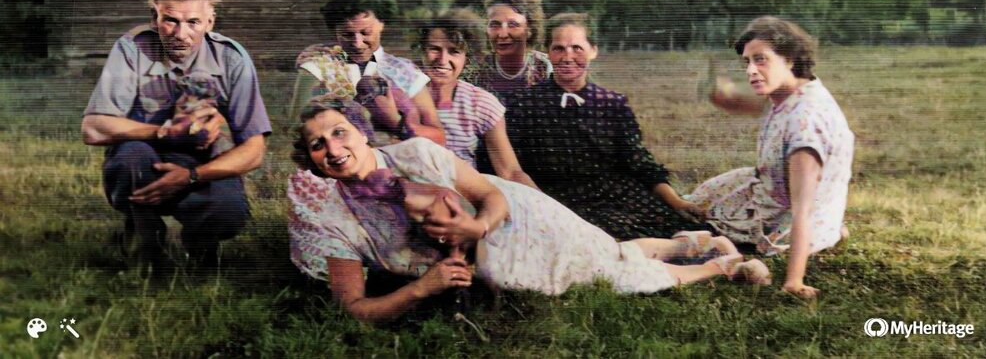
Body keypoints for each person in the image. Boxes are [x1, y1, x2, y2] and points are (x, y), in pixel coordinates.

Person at [287, 96, 769, 323]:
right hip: (479, 262)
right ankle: (693, 244)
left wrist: (477, 226)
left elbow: (492, 196)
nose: (332, 149)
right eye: (317, 144)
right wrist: (420, 289)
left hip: (514, 215)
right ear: (311, 161)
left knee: (610, 267)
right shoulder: (334, 220)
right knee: (609, 255)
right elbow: (355, 310)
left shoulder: (415, 154)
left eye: (339, 133)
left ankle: (720, 266)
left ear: (363, 133)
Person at [81, 0, 271, 269]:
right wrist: (166, 132)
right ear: (154, 17)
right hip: (146, 154)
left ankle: (201, 244)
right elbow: (93, 128)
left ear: (210, 21)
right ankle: (144, 238)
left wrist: (192, 175)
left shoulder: (232, 58)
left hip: (203, 162)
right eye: (170, 20)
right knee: (130, 159)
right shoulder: (132, 48)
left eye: (193, 22)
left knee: (229, 210)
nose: (181, 35)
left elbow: (254, 150)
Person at [687, 16, 855, 300]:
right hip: (773, 187)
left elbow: (803, 209)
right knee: (701, 199)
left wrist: (794, 282)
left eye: (761, 60)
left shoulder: (805, 124)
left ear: (789, 59)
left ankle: (822, 236)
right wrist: (725, 98)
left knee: (695, 219)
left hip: (784, 220)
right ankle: (830, 231)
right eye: (747, 62)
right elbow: (763, 106)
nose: (751, 70)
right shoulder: (797, 89)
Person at [504, 13, 710, 241]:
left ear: (593, 50)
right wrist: (542, 207)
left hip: (616, 195)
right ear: (548, 53)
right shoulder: (523, 105)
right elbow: (511, 168)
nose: (567, 57)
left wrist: (676, 201)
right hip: (556, 200)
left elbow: (639, 162)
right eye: (559, 48)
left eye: (577, 48)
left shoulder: (612, 103)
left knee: (687, 231)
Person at [291, 0, 445, 144]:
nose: (357, 44)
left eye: (366, 33)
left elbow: (439, 138)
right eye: (347, 35)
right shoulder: (319, 67)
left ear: (382, 24)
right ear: (334, 30)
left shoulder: (404, 71)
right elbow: (298, 129)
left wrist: (394, 120)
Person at [414, 9, 537, 188]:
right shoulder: (401, 94)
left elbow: (510, 172)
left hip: (462, 192)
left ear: (467, 57)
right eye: (435, 49)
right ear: (422, 50)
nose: (442, 59)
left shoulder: (481, 103)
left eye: (454, 51)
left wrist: (544, 202)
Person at [469, 0, 552, 103]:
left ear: (529, 29)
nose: (502, 34)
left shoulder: (546, 68)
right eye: (495, 25)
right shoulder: (475, 71)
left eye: (513, 25)